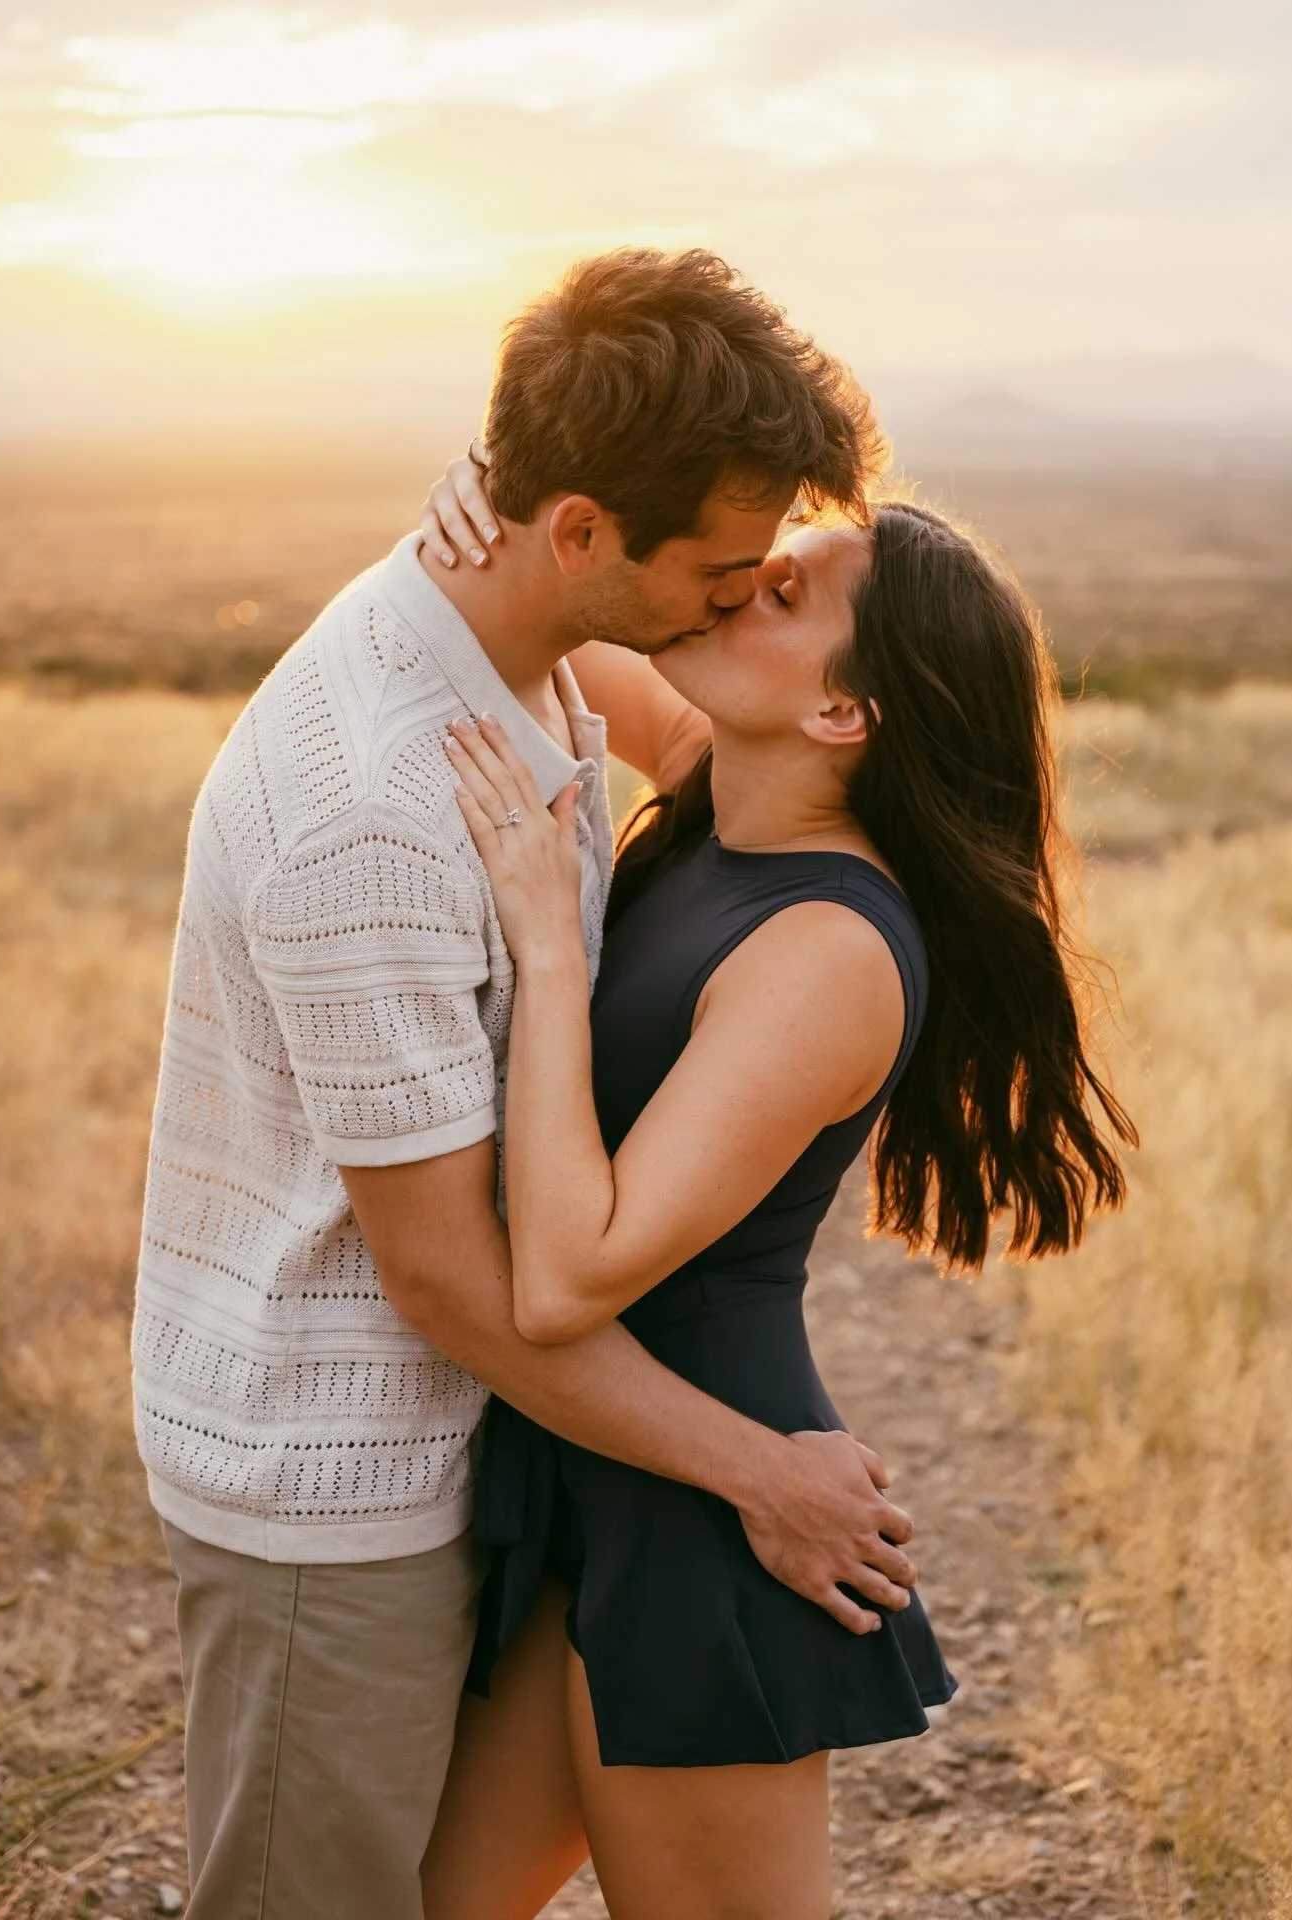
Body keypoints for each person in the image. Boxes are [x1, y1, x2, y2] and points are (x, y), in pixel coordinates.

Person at [133, 249, 923, 1920]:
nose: (734, 598)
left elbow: (767, 777)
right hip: (331, 1474)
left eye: (770, 579)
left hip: (499, 1459)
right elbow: (457, 1283)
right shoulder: (379, 805)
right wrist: (756, 1468)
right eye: (722, 571)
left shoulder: (535, 652)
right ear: (581, 532)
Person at [414, 458, 1137, 1918]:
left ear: (843, 712)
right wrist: (476, 516)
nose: (739, 580)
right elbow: (559, 600)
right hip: (596, 1477)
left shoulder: (829, 950)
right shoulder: (721, 786)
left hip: (717, 1534)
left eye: (786, 590)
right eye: (755, 561)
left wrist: (551, 947)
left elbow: (565, 1274)